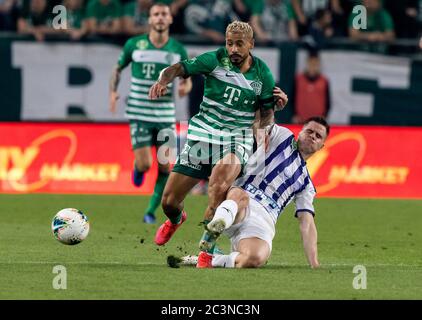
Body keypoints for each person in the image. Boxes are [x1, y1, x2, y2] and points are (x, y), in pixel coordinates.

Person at [149, 21, 288, 248]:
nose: (233, 49)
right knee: (169, 202)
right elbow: (177, 68)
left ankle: (206, 249)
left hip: (236, 140)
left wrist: (263, 130)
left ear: (251, 44)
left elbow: (267, 111)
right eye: (229, 43)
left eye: (239, 44)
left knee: (217, 189)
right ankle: (175, 220)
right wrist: (162, 80)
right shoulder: (214, 59)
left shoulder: (262, 74)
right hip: (203, 136)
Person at [193, 116, 330, 268]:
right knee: (240, 196)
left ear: (322, 146)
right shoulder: (282, 135)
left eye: (318, 136)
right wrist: (271, 107)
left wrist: (314, 263)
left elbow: (307, 222)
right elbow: (261, 122)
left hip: (265, 220)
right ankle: (209, 243)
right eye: (309, 131)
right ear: (300, 132)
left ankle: (212, 259)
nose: (312, 136)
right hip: (242, 200)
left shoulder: (306, 185)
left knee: (255, 258)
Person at [109, 3, 192, 223]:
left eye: (164, 14)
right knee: (146, 164)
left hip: (165, 115)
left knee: (166, 165)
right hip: (139, 112)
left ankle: (150, 211)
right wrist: (113, 92)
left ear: (170, 19)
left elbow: (188, 78)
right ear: (150, 19)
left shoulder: (177, 50)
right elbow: (118, 69)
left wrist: (185, 87)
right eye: (156, 14)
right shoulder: (134, 45)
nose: (160, 18)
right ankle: (139, 168)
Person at [293, 50, 330, 124]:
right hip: (301, 120)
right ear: (307, 62)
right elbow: (292, 97)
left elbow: (328, 101)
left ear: (318, 64)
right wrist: (294, 114)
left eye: (315, 63)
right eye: (311, 62)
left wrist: (325, 115)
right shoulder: (298, 79)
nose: (313, 65)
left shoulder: (324, 81)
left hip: (317, 121)